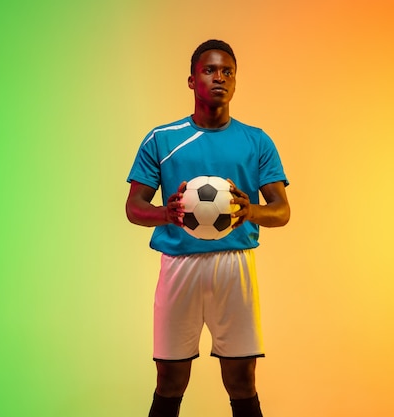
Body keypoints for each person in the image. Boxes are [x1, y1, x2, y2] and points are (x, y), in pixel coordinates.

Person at [125, 39, 290, 417]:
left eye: (227, 72)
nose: (219, 78)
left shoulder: (256, 140)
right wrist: (165, 214)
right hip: (179, 264)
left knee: (242, 380)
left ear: (235, 80)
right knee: (169, 380)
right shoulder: (161, 139)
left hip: (235, 265)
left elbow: (281, 211)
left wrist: (251, 211)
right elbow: (134, 208)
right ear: (191, 80)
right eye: (210, 70)